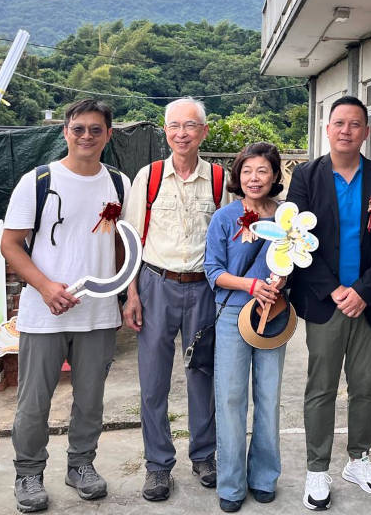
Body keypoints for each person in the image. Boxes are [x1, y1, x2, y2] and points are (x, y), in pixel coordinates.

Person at [0, 99, 131, 513]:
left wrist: (124, 294)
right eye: (78, 129)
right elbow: (10, 244)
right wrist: (44, 287)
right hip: (44, 314)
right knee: (34, 402)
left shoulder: (119, 184)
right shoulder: (37, 181)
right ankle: (28, 473)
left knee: (90, 400)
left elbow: (119, 244)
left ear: (108, 135)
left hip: (98, 314)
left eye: (96, 129)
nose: (86, 136)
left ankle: (81, 466)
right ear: (65, 132)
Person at [287, 95, 371, 511]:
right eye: (339, 123)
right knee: (322, 386)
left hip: (368, 301)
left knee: (364, 385)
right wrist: (333, 289)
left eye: (355, 124)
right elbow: (297, 237)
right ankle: (317, 467)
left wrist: (364, 291)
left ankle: (359, 458)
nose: (346, 130)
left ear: (366, 131)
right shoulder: (306, 176)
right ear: (327, 128)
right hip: (325, 300)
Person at [122, 97, 230, 501]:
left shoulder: (219, 179)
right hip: (155, 284)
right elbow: (131, 241)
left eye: (190, 126)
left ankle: (204, 455)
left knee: (202, 374)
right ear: (165, 131)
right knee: (153, 381)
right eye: (174, 126)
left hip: (204, 288)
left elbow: (230, 238)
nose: (182, 134)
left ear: (204, 131)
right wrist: (131, 293)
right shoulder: (148, 177)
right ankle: (157, 465)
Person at [204, 143, 288, 512]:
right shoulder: (225, 217)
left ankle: (265, 476)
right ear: (238, 176)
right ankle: (232, 483)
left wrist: (282, 280)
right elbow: (213, 271)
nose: (254, 178)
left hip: (274, 315)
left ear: (275, 175)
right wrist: (250, 285)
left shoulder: (286, 217)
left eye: (263, 171)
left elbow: (295, 260)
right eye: (247, 171)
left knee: (268, 397)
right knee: (231, 398)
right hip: (232, 316)